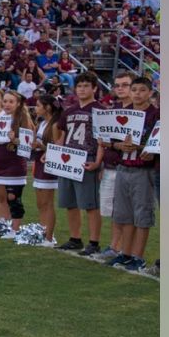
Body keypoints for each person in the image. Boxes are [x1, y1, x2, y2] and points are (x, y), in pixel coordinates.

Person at [106, 76, 159, 272]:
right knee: (124, 214)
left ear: (150, 93)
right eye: (134, 90)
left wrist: (146, 148)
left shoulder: (156, 115)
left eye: (142, 90)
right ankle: (125, 253)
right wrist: (117, 144)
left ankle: (138, 256)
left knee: (142, 214)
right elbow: (111, 142)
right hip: (123, 166)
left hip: (143, 169)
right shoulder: (124, 114)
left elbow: (159, 143)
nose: (137, 93)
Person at [54, 71, 104, 254]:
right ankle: (75, 238)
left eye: (86, 86)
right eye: (79, 86)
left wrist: (99, 162)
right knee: (70, 203)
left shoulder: (100, 110)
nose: (82, 89)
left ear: (94, 88)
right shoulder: (69, 110)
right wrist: (53, 154)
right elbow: (61, 135)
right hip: (68, 157)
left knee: (90, 204)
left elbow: (102, 141)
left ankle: (94, 242)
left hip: (87, 158)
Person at [95, 70, 134, 261]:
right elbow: (102, 141)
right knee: (112, 211)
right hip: (110, 166)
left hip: (131, 167)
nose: (120, 88)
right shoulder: (112, 110)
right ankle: (114, 246)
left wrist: (113, 145)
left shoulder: (139, 111)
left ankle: (125, 248)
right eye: (117, 85)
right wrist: (101, 164)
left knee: (127, 210)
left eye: (125, 85)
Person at [0, 90, 32, 232]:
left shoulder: (22, 119)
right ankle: (5, 226)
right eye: (5, 101)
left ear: (18, 104)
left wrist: (15, 139)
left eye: (11, 102)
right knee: (1, 198)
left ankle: (15, 230)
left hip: (15, 163)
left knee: (13, 198)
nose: (7, 104)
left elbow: (28, 145)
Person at [30, 93, 63, 245]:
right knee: (40, 203)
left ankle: (49, 237)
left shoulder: (55, 124)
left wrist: (42, 147)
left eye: (38, 105)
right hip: (38, 162)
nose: (36, 108)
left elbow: (58, 147)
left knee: (47, 202)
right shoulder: (42, 123)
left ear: (47, 107)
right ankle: (42, 233)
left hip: (48, 165)